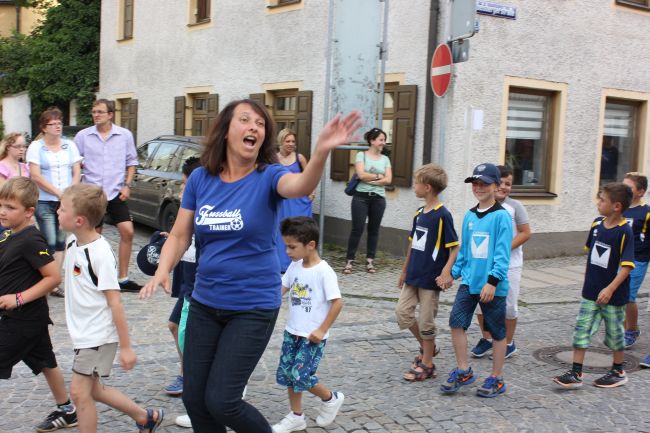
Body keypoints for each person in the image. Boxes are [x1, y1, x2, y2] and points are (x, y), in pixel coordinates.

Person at [139, 99, 361, 433]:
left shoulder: (269, 176)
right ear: (226, 130)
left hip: (252, 306)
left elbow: (299, 186)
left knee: (222, 400)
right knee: (195, 399)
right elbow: (181, 233)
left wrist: (321, 153)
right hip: (205, 302)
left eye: (260, 123)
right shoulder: (200, 178)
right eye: (245, 120)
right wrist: (162, 269)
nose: (254, 127)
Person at [57, 183, 164, 432]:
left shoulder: (100, 254)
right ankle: (145, 417)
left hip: (97, 335)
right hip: (83, 333)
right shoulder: (72, 242)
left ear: (79, 220)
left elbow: (115, 302)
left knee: (79, 393)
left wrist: (126, 347)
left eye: (62, 209)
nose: (57, 212)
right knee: (94, 390)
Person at [0, 177, 77, 432]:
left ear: (29, 211)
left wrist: (18, 298)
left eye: (10, 207)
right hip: (29, 319)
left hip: (22, 320)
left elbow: (53, 277)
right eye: (1, 205)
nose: (3, 211)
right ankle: (67, 410)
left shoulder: (32, 240)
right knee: (46, 362)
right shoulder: (9, 234)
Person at [440, 163, 512, 398]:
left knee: (496, 331)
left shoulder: (501, 217)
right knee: (456, 322)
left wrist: (492, 282)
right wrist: (452, 274)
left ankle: (496, 377)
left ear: (496, 185)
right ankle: (463, 370)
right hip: (470, 283)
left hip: (492, 287)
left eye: (484, 184)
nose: (479, 188)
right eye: (475, 184)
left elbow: (502, 255)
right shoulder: (470, 216)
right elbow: (464, 253)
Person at [553, 183, 634, 389]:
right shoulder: (597, 224)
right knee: (581, 330)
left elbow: (626, 267)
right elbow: (592, 254)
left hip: (613, 296)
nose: (598, 202)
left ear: (616, 206)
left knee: (615, 335)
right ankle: (576, 373)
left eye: (602, 200)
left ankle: (618, 371)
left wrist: (610, 289)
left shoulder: (625, 231)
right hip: (590, 292)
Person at [271, 216, 344, 433]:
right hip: (292, 332)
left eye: (292, 247)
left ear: (310, 245)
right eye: (286, 246)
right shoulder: (294, 266)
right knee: (288, 375)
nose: (287, 251)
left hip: (312, 336)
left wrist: (322, 330)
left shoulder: (324, 272)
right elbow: (280, 290)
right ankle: (296, 416)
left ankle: (331, 398)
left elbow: (337, 303)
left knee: (300, 375)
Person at [396, 163, 459, 382]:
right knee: (402, 313)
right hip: (413, 275)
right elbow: (412, 245)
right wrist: (404, 271)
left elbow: (454, 247)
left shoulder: (442, 215)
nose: (414, 187)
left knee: (426, 322)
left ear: (428, 187)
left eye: (417, 183)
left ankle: (428, 364)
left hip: (430, 279)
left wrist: (446, 272)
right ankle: (427, 347)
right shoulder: (419, 214)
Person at [74, 99, 141, 292]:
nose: (96, 115)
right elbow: (75, 163)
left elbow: (132, 162)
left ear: (110, 114)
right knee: (94, 237)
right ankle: (93, 277)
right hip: (92, 194)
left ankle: (123, 278)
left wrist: (127, 185)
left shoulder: (124, 135)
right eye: (94, 112)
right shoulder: (83, 136)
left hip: (115, 192)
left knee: (128, 231)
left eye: (100, 112)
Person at [472, 165, 531, 359]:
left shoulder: (515, 207)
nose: (504, 187)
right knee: (481, 302)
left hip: (510, 265)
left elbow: (525, 233)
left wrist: (503, 249)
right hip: (484, 264)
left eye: (509, 184)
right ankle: (487, 339)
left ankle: (508, 343)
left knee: (509, 306)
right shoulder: (483, 206)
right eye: (502, 182)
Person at [27, 107, 82, 297]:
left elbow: (77, 170)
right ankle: (43, 278)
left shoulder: (69, 145)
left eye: (60, 123)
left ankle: (54, 283)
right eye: (53, 124)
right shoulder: (36, 147)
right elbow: (35, 175)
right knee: (48, 241)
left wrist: (71, 191)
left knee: (60, 241)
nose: (58, 127)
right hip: (44, 200)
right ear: (44, 127)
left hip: (65, 201)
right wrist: (58, 192)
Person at [163, 156, 200, 398]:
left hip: (197, 284)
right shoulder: (187, 211)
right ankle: (187, 373)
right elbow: (181, 239)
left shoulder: (205, 210)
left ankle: (193, 376)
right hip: (186, 278)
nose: (181, 189)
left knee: (188, 331)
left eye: (185, 184)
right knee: (174, 325)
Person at [343, 127, 392, 274]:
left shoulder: (385, 159)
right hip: (361, 197)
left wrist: (371, 178)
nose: (383, 143)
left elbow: (389, 180)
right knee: (357, 229)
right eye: (381, 140)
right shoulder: (361, 155)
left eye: (384, 140)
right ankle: (349, 261)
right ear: (372, 141)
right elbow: (361, 175)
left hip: (378, 199)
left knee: (374, 230)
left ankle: (370, 261)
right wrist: (378, 177)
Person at [275, 128, 314, 272]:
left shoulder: (299, 158)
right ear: (281, 142)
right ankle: (282, 264)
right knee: (281, 230)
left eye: (293, 141)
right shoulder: (274, 159)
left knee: (299, 231)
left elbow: (309, 176)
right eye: (288, 141)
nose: (291, 144)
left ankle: (302, 262)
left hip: (298, 202)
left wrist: (311, 192)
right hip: (282, 201)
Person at [621, 172, 649, 349]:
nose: (624, 189)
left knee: (628, 296)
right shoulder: (619, 207)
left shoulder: (646, 212)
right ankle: (624, 326)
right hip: (618, 259)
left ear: (640, 192)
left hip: (638, 260)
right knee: (619, 295)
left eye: (628, 187)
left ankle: (631, 330)